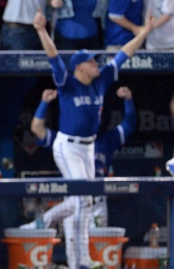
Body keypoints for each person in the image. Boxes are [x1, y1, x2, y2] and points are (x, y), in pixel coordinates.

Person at [33, 9, 153, 269]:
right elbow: (53, 56)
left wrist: (143, 33)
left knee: (86, 201)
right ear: (80, 67)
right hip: (68, 145)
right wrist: (42, 30)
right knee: (81, 200)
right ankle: (78, 262)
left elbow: (123, 56)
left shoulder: (101, 81)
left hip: (88, 147)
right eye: (92, 62)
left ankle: (72, 248)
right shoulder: (67, 82)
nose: (97, 65)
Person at [21, 86, 135, 230]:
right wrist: (44, 102)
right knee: (73, 247)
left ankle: (38, 225)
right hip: (72, 202)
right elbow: (37, 128)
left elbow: (129, 126)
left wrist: (128, 100)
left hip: (97, 204)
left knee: (96, 248)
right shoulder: (66, 141)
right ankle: (36, 226)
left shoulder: (106, 140)